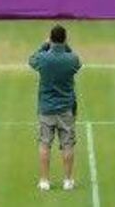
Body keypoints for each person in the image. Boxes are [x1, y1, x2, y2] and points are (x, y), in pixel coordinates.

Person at [28, 25, 82, 192]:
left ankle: (44, 181)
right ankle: (67, 181)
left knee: (45, 144)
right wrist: (64, 46)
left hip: (46, 109)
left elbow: (32, 59)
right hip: (66, 109)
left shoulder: (43, 59)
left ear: (51, 39)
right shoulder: (71, 59)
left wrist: (45, 45)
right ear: (65, 39)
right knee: (67, 145)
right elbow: (77, 62)